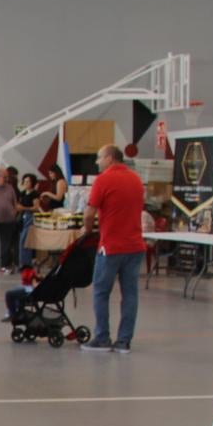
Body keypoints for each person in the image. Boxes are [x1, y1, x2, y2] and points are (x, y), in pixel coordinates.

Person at [80, 145, 148, 353]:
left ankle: (102, 337)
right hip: (135, 245)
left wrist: (86, 229)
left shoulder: (103, 180)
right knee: (130, 294)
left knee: (101, 291)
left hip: (111, 247)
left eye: (99, 158)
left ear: (110, 158)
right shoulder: (136, 179)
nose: (97, 162)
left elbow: (89, 213)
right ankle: (124, 341)